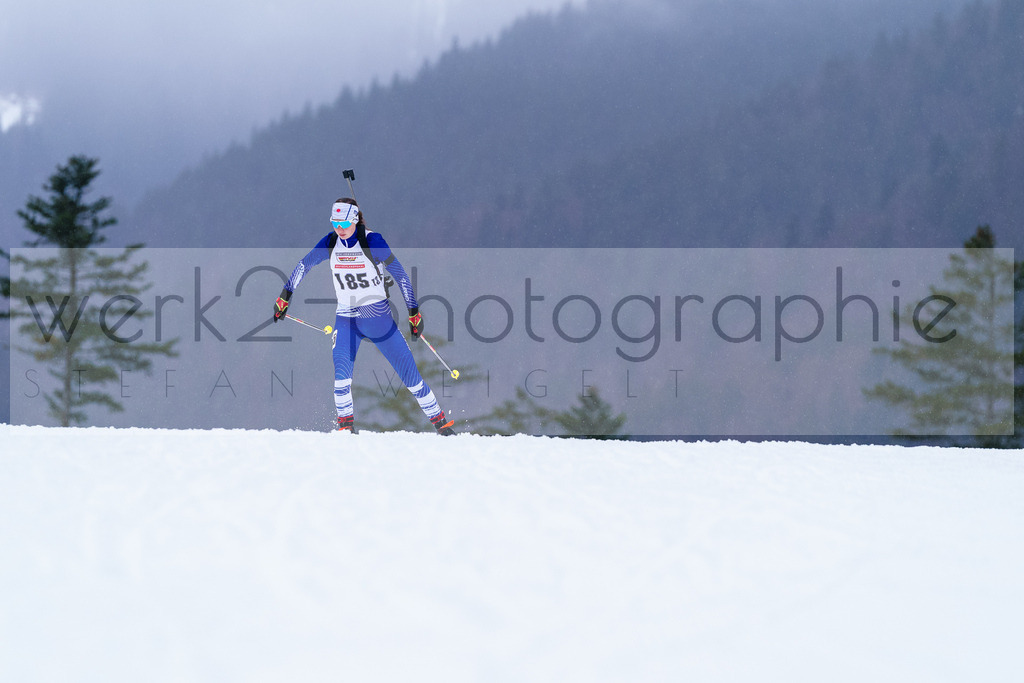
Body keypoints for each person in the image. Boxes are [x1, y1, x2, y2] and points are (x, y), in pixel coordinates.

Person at [273, 197, 455, 435]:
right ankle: (346, 429)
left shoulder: (372, 241)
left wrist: (413, 312)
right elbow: (303, 265)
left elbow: (400, 275)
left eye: (344, 224)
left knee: (411, 377)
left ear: (355, 219)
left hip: (378, 319)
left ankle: (441, 424)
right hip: (346, 319)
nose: (339, 229)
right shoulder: (331, 242)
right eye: (335, 223)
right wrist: (285, 295)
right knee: (341, 378)